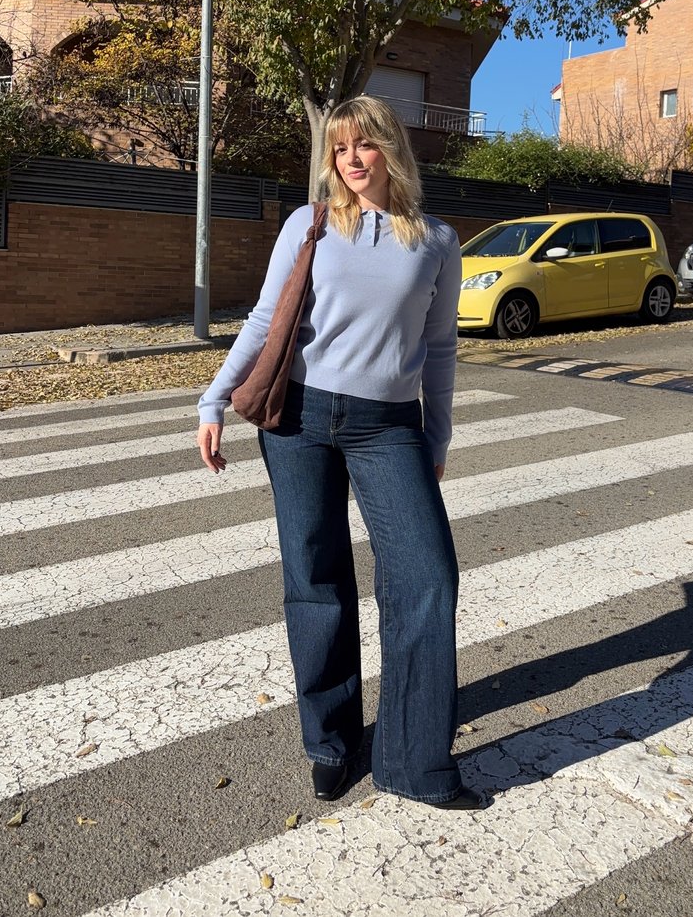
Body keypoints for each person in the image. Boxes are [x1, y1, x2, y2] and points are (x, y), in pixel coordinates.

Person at [196, 95, 482, 809]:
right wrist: (214, 400)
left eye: (365, 144)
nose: (352, 160)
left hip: (389, 426)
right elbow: (266, 318)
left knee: (427, 576)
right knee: (314, 577)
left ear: (392, 150)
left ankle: (413, 761)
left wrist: (437, 436)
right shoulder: (310, 223)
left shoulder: (437, 241)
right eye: (340, 148)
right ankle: (330, 741)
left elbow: (440, 348)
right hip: (299, 416)